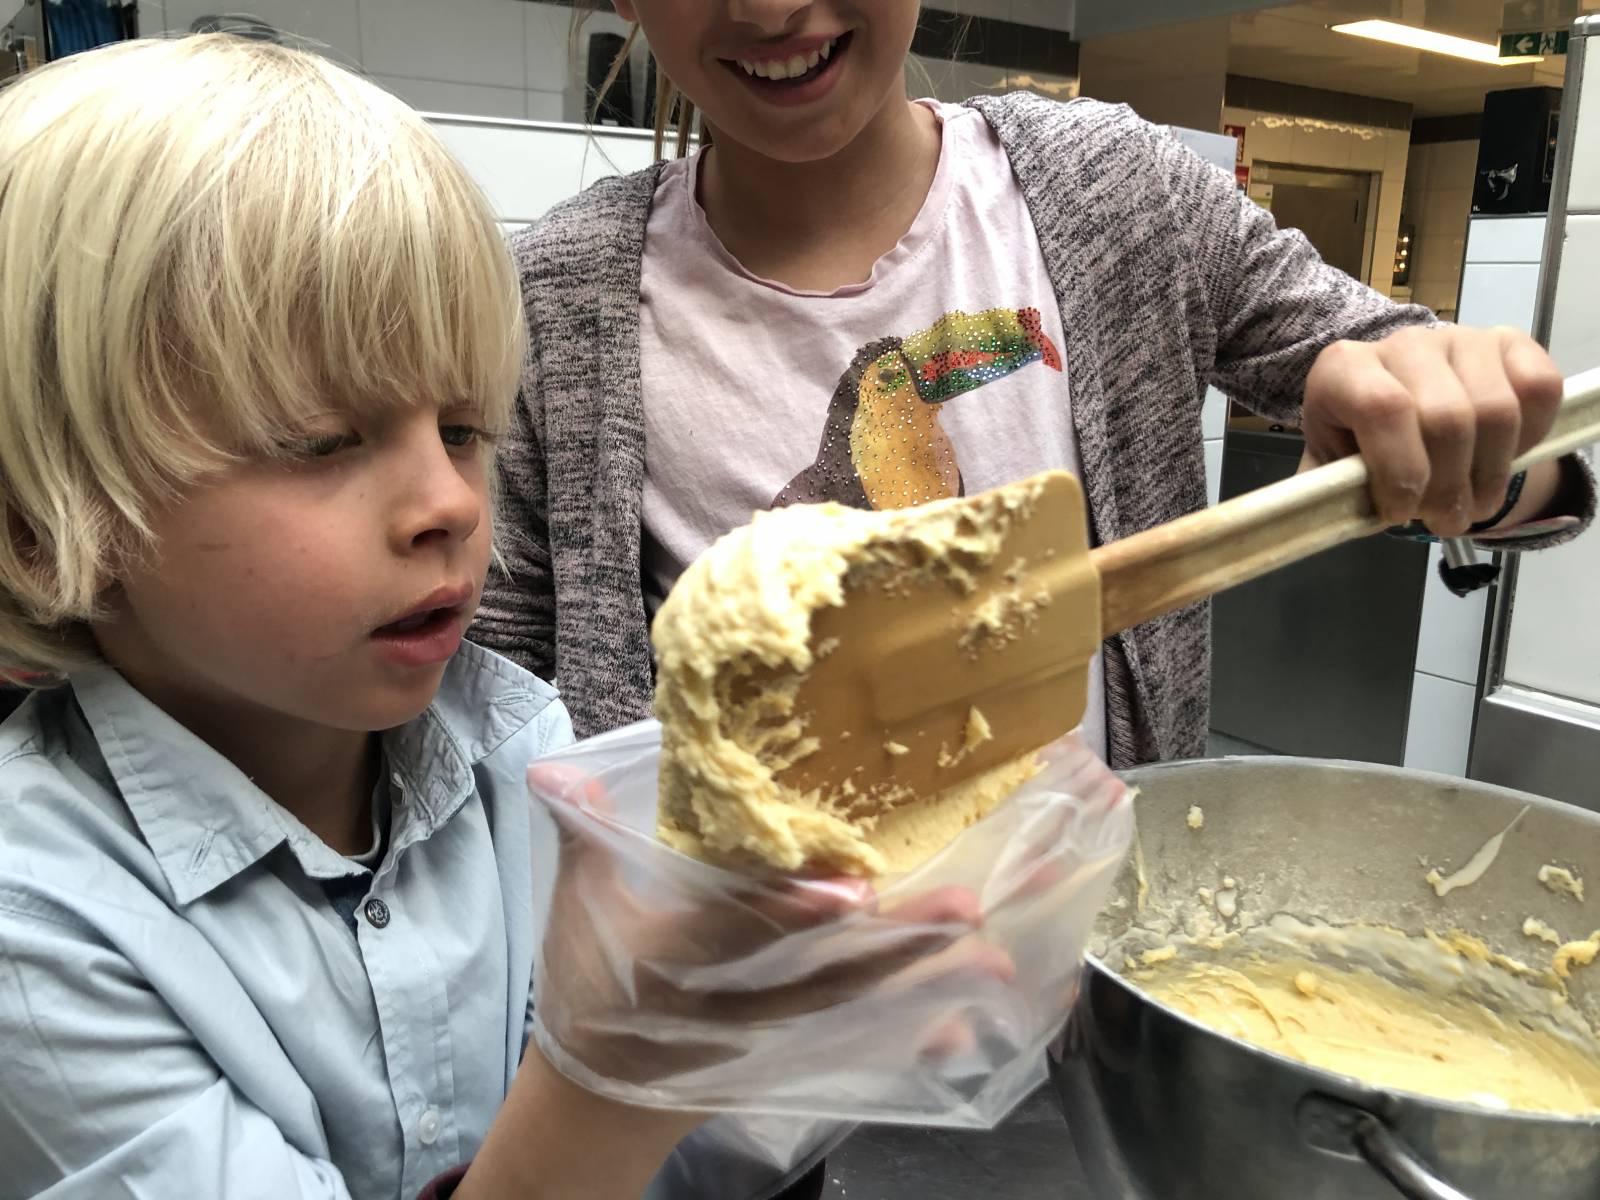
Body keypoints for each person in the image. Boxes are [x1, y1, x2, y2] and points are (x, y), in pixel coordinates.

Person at [1, 33, 1014, 1200]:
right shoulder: (41, 925)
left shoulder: (517, 746)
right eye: (322, 442)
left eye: (465, 430)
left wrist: (786, 1031)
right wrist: (612, 1072)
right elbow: (596, 1107)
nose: (446, 503)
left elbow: (670, 1166)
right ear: (45, 522)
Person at [474, 0, 1595, 776]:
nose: (772, 10)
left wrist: (1464, 444)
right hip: (744, 1044)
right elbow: (499, 715)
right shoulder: (558, 303)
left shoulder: (1114, 194)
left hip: (1090, 1015)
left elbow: (1517, 465)